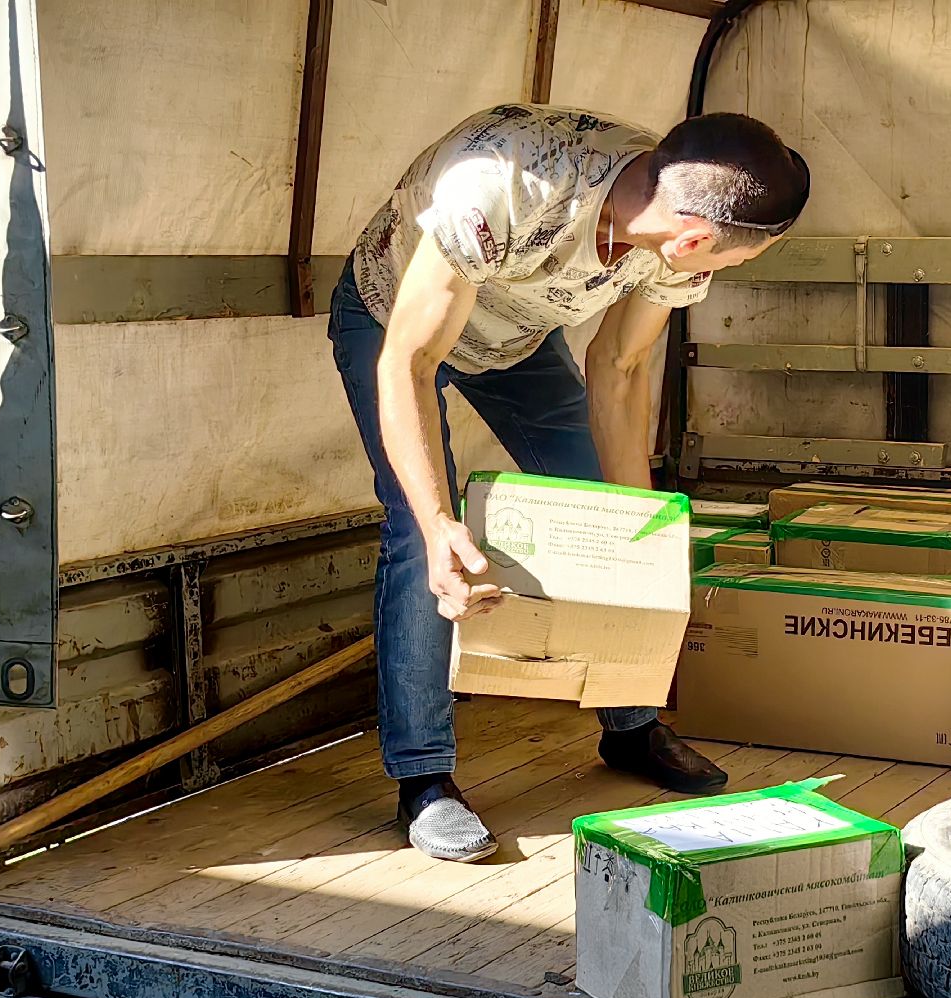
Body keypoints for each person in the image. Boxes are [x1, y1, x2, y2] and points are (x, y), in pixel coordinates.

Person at [328, 103, 809, 862]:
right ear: (695, 238)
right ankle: (424, 779)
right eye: (736, 260)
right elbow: (408, 365)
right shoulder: (500, 189)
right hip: (393, 320)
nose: (725, 273)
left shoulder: (672, 232)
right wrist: (437, 520)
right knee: (423, 533)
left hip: (514, 336)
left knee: (610, 518)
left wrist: (641, 532)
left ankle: (632, 725)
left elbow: (617, 371)